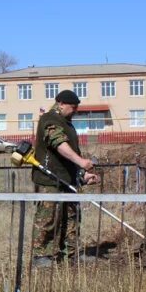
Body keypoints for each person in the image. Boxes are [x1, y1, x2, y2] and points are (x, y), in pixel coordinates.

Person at [31, 90, 100, 268]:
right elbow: (58, 143)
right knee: (49, 217)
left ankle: (70, 254)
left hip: (68, 179)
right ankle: (42, 256)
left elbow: (72, 153)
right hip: (50, 179)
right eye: (73, 107)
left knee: (71, 218)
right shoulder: (49, 119)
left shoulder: (68, 123)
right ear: (61, 103)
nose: (76, 110)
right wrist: (82, 162)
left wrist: (83, 174)